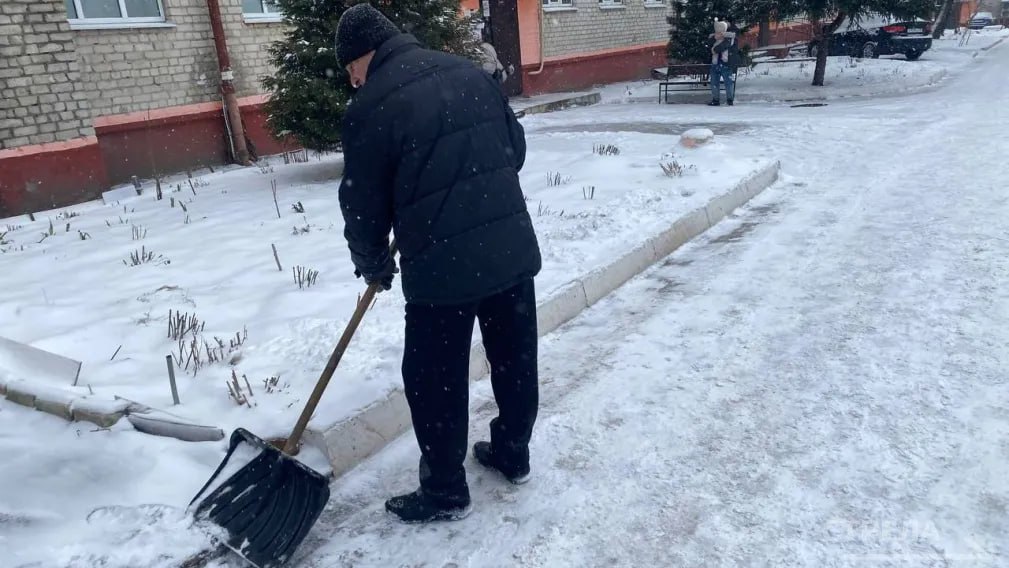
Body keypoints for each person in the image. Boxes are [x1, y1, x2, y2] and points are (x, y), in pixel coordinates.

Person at [334, 3, 542, 524]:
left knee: (434, 378)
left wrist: (373, 262)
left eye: (350, 68)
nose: (353, 80)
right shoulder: (469, 73)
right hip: (509, 248)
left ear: (362, 56)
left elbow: (362, 204)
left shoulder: (371, 106)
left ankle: (446, 490)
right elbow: (514, 151)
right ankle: (513, 452)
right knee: (514, 358)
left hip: (442, 267)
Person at [709, 20, 741, 106]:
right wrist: (714, 38)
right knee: (714, 82)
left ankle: (729, 100)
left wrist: (714, 50)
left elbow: (725, 45)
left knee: (728, 83)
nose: (719, 29)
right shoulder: (714, 36)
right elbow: (709, 43)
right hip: (715, 63)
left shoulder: (730, 36)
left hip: (726, 63)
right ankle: (716, 100)